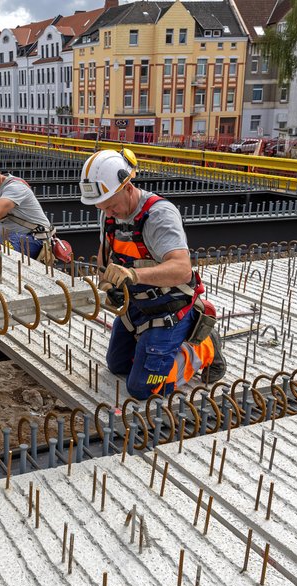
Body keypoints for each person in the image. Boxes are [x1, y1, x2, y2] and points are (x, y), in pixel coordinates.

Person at [80, 148, 225, 399]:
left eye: (111, 206)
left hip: (170, 307)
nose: (108, 213)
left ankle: (204, 346)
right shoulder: (109, 214)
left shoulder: (158, 216)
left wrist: (134, 276)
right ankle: (153, 348)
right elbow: (105, 252)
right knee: (117, 365)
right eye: (103, 208)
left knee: (143, 388)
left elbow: (182, 269)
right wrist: (107, 282)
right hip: (138, 305)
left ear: (127, 187)